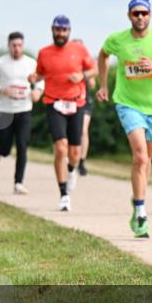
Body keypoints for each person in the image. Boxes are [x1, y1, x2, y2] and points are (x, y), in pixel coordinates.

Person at [97, 0, 152, 238]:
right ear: (129, 16)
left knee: (146, 161)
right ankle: (141, 211)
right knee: (140, 156)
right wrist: (103, 85)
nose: (140, 17)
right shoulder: (118, 40)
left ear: (150, 15)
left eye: (144, 13)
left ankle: (138, 195)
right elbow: (102, 56)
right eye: (136, 13)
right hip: (127, 104)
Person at [30, 16, 96, 212]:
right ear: (52, 30)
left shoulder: (79, 50)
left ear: (69, 31)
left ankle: (72, 169)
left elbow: (94, 70)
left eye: (64, 30)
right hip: (53, 102)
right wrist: (34, 77)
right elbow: (40, 73)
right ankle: (64, 194)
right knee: (60, 148)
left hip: (76, 103)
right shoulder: (44, 52)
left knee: (74, 153)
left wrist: (82, 76)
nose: (61, 33)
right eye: (57, 30)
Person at [0, 32, 43, 194]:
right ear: (8, 46)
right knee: (6, 149)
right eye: (13, 45)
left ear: (23, 46)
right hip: (4, 110)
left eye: (19, 45)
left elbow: (41, 80)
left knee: (22, 146)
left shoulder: (31, 63)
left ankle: (18, 183)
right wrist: (2, 90)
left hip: (24, 109)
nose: (17, 48)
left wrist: (38, 91)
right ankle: (0, 149)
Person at [73, 39, 96, 177]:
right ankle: (71, 157)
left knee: (83, 130)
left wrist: (84, 75)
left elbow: (93, 84)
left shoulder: (87, 64)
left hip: (84, 100)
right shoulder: (67, 62)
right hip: (69, 100)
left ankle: (82, 162)